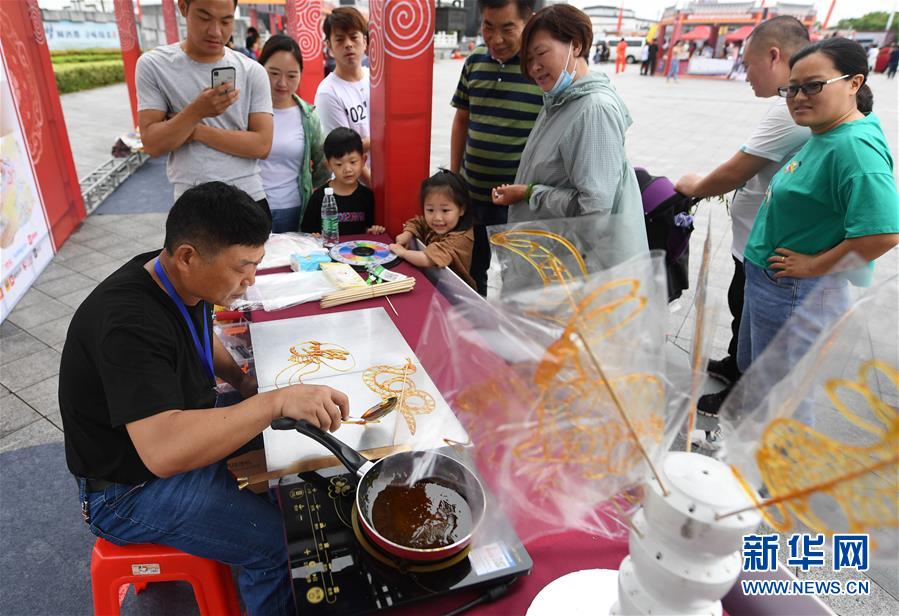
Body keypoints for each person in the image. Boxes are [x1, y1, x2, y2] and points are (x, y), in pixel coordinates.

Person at [60, 182, 351, 616]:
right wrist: (271, 402)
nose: (250, 280)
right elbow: (164, 452)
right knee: (277, 546)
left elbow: (198, 333)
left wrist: (243, 381)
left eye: (255, 265)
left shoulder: (176, 277)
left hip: (175, 431)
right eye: (242, 268)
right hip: (127, 490)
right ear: (188, 256)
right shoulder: (128, 323)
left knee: (296, 444)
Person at [739, 37, 899, 425]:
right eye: (792, 88)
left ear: (854, 83)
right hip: (773, 282)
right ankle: (754, 453)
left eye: (813, 86)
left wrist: (813, 266)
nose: (798, 97)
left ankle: (775, 464)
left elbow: (883, 233)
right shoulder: (827, 132)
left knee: (783, 402)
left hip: (794, 292)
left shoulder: (854, 148)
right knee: (764, 383)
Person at [674, 17, 812, 420]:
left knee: (757, 325)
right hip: (753, 243)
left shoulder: (789, 111)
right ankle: (735, 367)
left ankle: (742, 395)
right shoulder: (787, 105)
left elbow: (736, 170)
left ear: (774, 56)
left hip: (769, 247)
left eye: (748, 64)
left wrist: (695, 186)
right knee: (742, 311)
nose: (745, 73)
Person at [491, 5, 648, 268]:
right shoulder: (559, 100)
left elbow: (594, 211)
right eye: (528, 59)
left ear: (575, 45)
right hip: (550, 256)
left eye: (541, 53)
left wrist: (531, 193)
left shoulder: (594, 110)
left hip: (571, 268)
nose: (534, 67)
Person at [136, 0, 273, 215]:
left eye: (226, 21)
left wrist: (195, 130)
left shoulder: (252, 71)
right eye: (204, 18)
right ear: (183, 7)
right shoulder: (154, 65)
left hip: (248, 197)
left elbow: (262, 146)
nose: (215, 31)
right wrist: (197, 110)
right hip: (190, 201)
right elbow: (153, 144)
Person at [450, 0, 542, 231]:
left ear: (528, 22)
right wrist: (454, 176)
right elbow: (461, 120)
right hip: (471, 196)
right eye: (488, 26)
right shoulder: (474, 61)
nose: (496, 39)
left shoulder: (539, 70)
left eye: (507, 28)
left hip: (516, 205)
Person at [258, 34, 329, 233]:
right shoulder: (245, 111)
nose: (282, 83)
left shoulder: (308, 116)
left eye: (291, 75)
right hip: (251, 209)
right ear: (259, 69)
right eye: (274, 73)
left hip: (293, 210)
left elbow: (323, 165)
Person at [389, 170, 477, 290]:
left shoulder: (460, 239)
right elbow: (418, 222)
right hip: (434, 286)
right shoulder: (437, 224)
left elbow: (427, 259)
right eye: (430, 210)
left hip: (456, 295)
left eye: (445, 210)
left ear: (461, 209)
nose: (437, 218)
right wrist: (407, 233)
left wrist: (402, 252)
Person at [314, 7, 371, 185]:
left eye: (354, 37)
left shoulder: (375, 79)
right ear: (329, 46)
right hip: (354, 187)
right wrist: (375, 187)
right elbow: (344, 151)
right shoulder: (328, 92)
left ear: (365, 41)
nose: (348, 44)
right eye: (339, 39)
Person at [300, 127, 384, 235]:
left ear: (363, 160)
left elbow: (369, 228)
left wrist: (373, 230)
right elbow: (307, 231)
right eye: (339, 164)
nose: (347, 169)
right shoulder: (319, 197)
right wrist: (313, 236)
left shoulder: (368, 196)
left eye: (353, 162)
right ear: (329, 165)